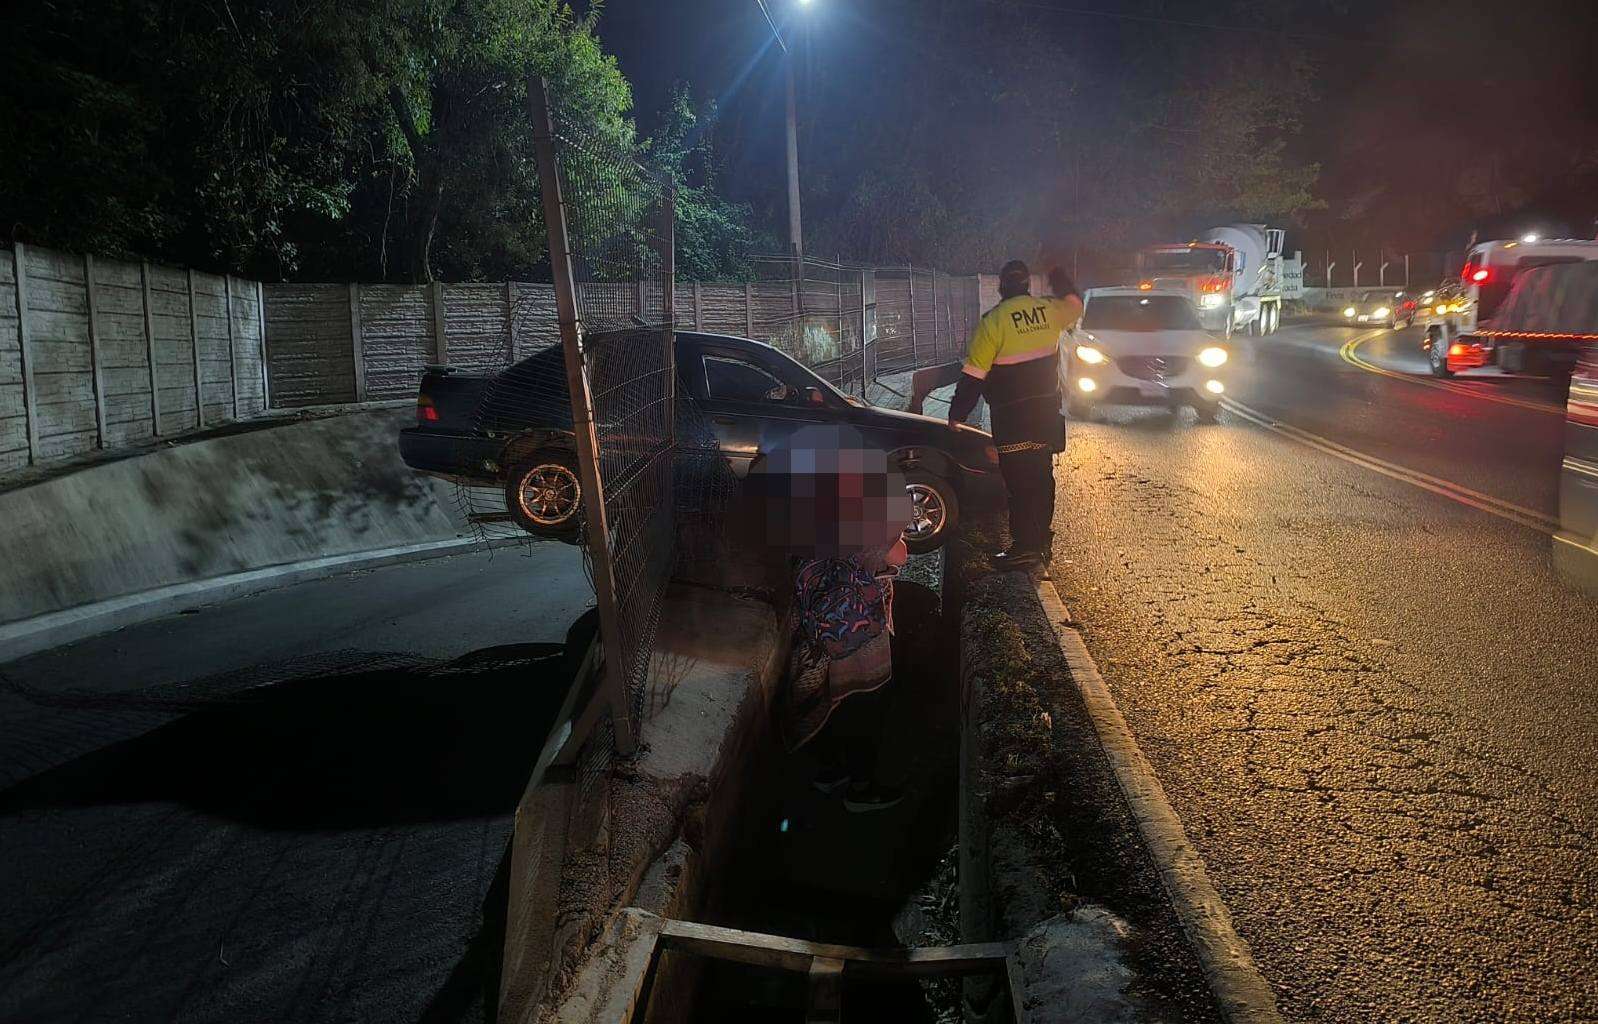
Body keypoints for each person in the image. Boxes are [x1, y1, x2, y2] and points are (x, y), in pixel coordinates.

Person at [948, 259, 1082, 569]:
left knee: (1020, 485)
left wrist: (957, 414)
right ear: (1026, 285)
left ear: (1001, 286)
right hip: (1046, 414)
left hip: (1012, 419)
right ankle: (1040, 543)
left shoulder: (993, 322)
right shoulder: (1049, 310)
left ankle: (1024, 549)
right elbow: (1076, 302)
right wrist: (1058, 274)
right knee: (1042, 479)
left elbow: (973, 377)